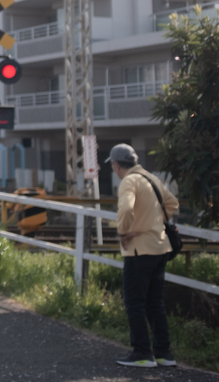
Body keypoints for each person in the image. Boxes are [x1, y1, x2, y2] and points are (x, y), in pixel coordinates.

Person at [108, 143, 179, 369]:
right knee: (154, 302)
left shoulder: (129, 181)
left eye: (112, 165)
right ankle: (163, 353)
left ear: (117, 165)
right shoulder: (151, 178)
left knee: (134, 302)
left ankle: (141, 353)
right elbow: (173, 204)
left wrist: (123, 232)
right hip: (160, 248)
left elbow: (126, 209)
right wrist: (153, 222)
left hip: (139, 249)